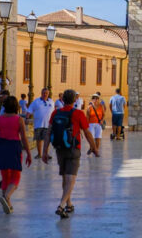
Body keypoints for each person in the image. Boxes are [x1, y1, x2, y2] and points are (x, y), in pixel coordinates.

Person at [46, 89, 99, 219]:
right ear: (75, 100)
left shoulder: (55, 113)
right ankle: (61, 205)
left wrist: (44, 152)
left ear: (62, 100)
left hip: (59, 149)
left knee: (65, 177)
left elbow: (48, 133)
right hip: (73, 148)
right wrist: (94, 148)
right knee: (71, 179)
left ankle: (69, 204)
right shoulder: (78, 113)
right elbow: (87, 133)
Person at [0, 96, 32, 214]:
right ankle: (6, 197)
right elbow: (24, 139)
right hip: (14, 147)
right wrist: (29, 153)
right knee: (15, 176)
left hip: (1, 147)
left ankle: (8, 204)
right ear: (16, 107)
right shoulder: (18, 119)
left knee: (5, 176)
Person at [29, 88, 55, 162]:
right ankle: (39, 154)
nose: (45, 94)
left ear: (48, 94)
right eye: (44, 93)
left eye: (46, 93)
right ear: (41, 93)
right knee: (39, 139)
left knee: (47, 140)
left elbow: (54, 112)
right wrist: (27, 117)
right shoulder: (36, 102)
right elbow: (30, 110)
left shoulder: (51, 102)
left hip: (48, 124)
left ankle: (46, 153)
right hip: (38, 124)